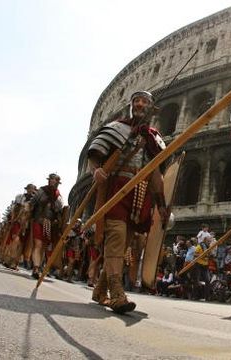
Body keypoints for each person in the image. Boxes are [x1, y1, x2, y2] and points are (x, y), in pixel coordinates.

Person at [87, 90, 167, 313]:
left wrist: (161, 203)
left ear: (151, 107)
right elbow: (95, 154)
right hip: (117, 188)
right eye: (136, 101)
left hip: (140, 195)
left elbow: (156, 173)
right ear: (132, 105)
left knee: (122, 247)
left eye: (144, 101)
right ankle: (117, 294)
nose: (140, 104)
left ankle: (99, 291)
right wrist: (96, 172)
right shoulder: (117, 127)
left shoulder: (153, 137)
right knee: (116, 239)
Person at [29, 174, 64, 279]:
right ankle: (35, 267)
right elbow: (32, 203)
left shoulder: (59, 197)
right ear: (49, 181)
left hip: (49, 224)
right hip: (38, 220)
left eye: (55, 181)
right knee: (38, 244)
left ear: (58, 183)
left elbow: (60, 213)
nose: (53, 182)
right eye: (52, 180)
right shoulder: (41, 191)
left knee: (44, 246)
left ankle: (39, 266)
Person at [2, 184, 36, 269]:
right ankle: (10, 258)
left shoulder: (35, 201)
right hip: (18, 221)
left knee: (21, 243)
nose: (30, 190)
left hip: (27, 225)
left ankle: (15, 262)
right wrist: (13, 218)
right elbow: (14, 208)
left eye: (32, 189)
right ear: (27, 189)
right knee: (15, 239)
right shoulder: (20, 197)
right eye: (29, 188)